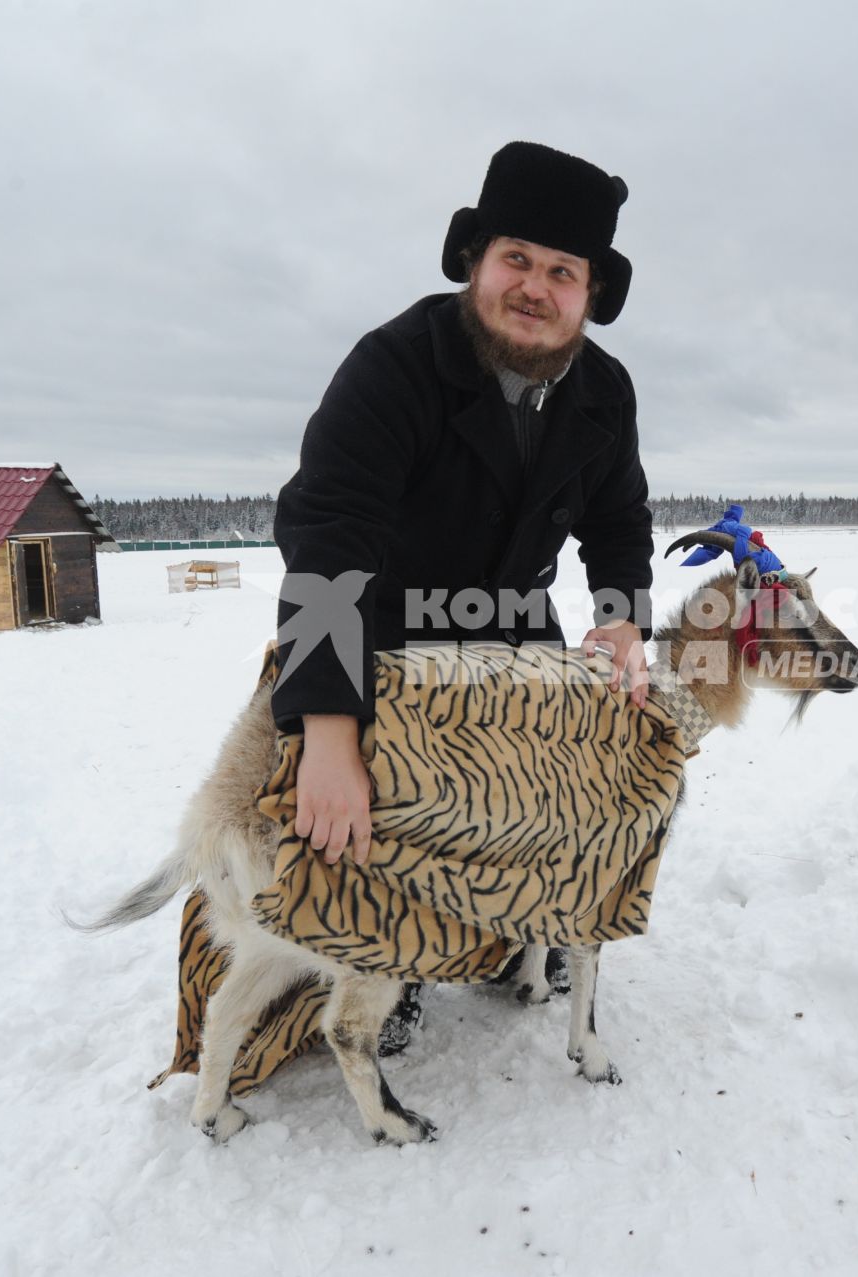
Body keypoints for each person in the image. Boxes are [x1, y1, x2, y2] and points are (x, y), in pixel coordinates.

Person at [271, 141, 655, 1048]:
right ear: (474, 261)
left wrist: (619, 619)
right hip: (385, 626)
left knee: (552, 784)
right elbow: (329, 535)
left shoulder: (604, 392)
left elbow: (619, 518)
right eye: (517, 258)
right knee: (372, 801)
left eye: (563, 271)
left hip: (512, 624)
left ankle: (523, 920)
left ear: (591, 295)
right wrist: (329, 728)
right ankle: (390, 955)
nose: (536, 287)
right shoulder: (393, 366)